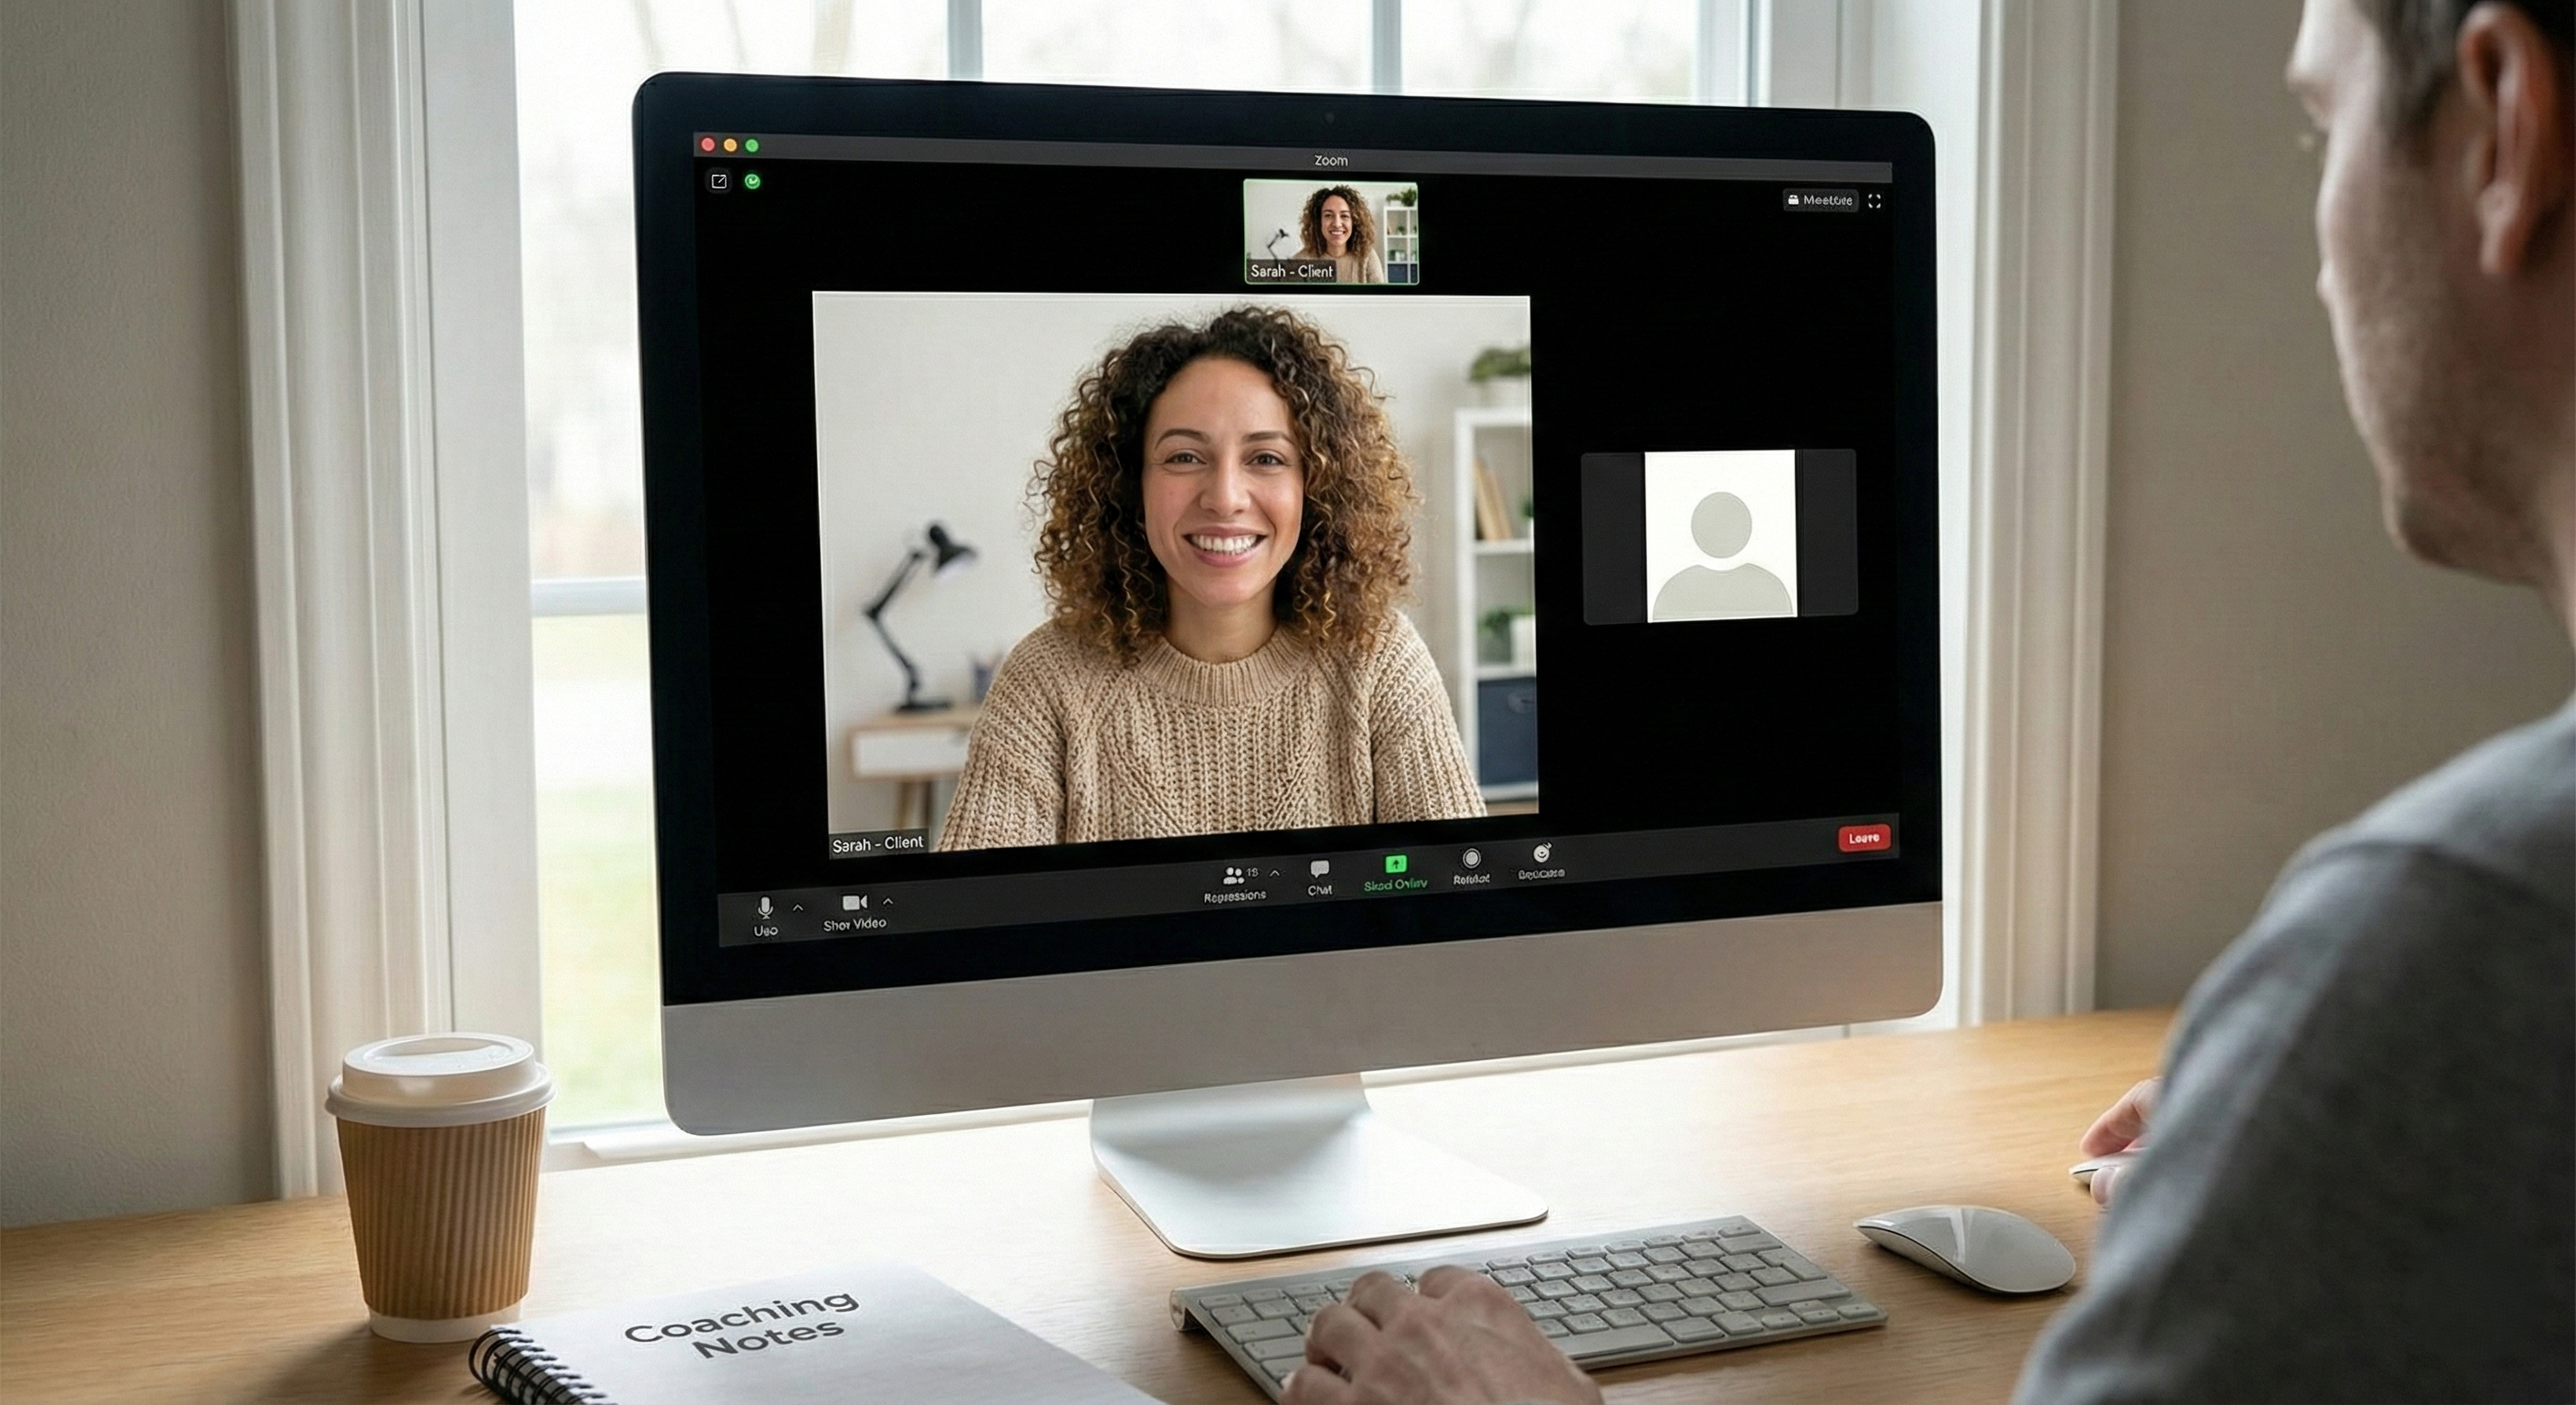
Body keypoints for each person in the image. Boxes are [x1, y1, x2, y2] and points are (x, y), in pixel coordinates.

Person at [1281, 0, 2573, 1400]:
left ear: (2503, 124)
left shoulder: (2458, 936)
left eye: (2323, 124)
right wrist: (2264, 1196)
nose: (2318, 261)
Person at [938, 306, 1483, 852]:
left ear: (1313, 487)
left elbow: (1468, 904)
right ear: (1132, 487)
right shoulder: (1048, 681)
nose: (1224, 497)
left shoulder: (1377, 661)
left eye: (1266, 458)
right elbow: (966, 921)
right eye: (1184, 456)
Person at [1302, 186, 1389, 284]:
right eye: (1328, 215)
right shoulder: (1301, 261)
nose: (1337, 224)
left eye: (1344, 216)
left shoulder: (1367, 257)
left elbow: (1379, 299)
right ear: (1318, 221)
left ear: (1354, 222)